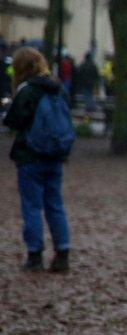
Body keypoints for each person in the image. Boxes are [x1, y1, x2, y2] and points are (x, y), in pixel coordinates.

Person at [3, 47, 72, 272]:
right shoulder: (57, 88)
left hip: (30, 155)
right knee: (55, 204)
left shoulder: (27, 90)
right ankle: (62, 251)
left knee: (32, 206)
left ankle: (35, 255)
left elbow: (14, 122)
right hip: (55, 154)